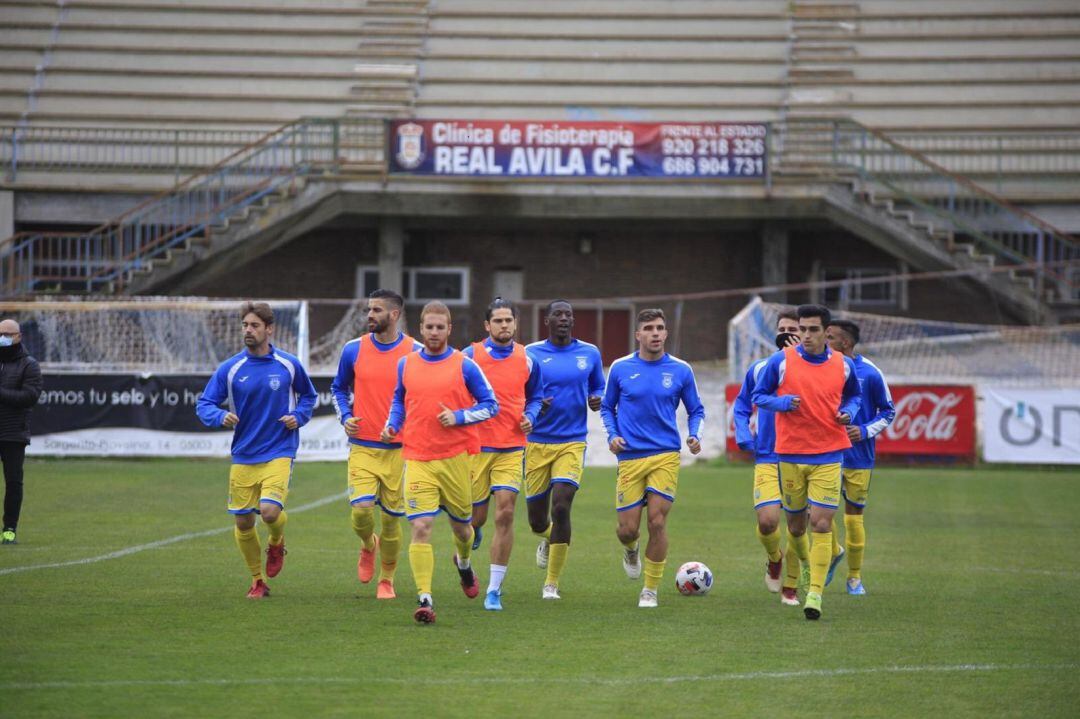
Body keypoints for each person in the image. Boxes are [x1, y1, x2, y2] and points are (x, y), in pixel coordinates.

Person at [381, 301, 498, 624]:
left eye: (440, 327)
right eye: (428, 327)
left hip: (457, 459)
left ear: (449, 329)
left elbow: (491, 405)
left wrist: (459, 416)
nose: (434, 332)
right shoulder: (406, 364)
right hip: (417, 458)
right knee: (421, 526)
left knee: (463, 529)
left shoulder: (465, 366)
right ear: (421, 329)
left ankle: (463, 564)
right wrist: (393, 423)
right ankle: (425, 597)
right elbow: (398, 399)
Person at [196, 302, 317, 599]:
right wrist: (219, 416)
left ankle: (277, 541)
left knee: (270, 512)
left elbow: (308, 397)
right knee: (243, 521)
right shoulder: (231, 368)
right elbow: (204, 403)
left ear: (269, 329)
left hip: (280, 449)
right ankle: (257, 580)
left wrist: (298, 417)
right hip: (244, 453)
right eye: (245, 326)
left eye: (254, 326)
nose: (248, 331)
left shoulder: (288, 364)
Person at [752, 304, 860, 620]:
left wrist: (849, 413)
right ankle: (813, 566)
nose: (806, 335)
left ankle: (814, 593)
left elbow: (854, 397)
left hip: (829, 454)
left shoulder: (843, 365)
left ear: (826, 332)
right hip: (789, 455)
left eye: (813, 330)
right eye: (802, 329)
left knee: (822, 523)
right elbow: (759, 395)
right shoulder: (781, 362)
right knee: (796, 527)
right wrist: (782, 402)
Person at [601, 309, 704, 608]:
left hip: (665, 455)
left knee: (657, 523)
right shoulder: (620, 368)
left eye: (660, 328)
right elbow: (607, 408)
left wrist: (694, 434)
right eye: (648, 328)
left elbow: (696, 409)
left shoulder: (681, 370)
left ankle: (650, 589)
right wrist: (612, 435)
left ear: (666, 333)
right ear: (638, 335)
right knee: (627, 529)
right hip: (630, 457)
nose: (655, 333)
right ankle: (631, 549)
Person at [331, 289, 422, 600]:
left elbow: (425, 397)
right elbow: (338, 389)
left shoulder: (416, 352)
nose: (370, 315)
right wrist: (345, 416)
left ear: (394, 315)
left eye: (377, 310)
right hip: (363, 447)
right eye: (369, 309)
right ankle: (368, 544)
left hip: (400, 452)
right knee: (361, 512)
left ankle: (387, 580)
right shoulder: (352, 350)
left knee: (392, 522)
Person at [462, 298, 545, 611]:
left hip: (511, 448)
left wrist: (532, 416)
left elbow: (536, 396)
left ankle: (494, 590)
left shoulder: (527, 359)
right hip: (474, 449)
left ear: (515, 323)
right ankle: (469, 547)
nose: (504, 325)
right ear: (487, 325)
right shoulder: (470, 357)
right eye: (497, 321)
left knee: (506, 512)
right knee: (476, 518)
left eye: (508, 320)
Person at [524, 300, 605, 600]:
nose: (564, 319)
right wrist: (530, 405)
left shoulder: (589, 353)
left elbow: (599, 386)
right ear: (547, 320)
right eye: (557, 314)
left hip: (572, 441)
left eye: (568, 315)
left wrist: (596, 398)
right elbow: (516, 393)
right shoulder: (530, 354)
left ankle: (551, 584)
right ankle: (547, 538)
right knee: (537, 521)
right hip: (536, 442)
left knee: (561, 506)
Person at [733, 309, 811, 604]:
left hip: (804, 455)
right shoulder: (760, 368)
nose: (788, 333)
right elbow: (743, 405)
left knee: (797, 526)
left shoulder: (815, 369)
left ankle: (791, 587)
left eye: (794, 328)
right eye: (782, 328)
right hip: (768, 455)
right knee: (767, 522)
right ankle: (774, 557)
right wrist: (743, 431)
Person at [827, 319, 895, 596]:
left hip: (858, 457)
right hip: (825, 453)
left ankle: (854, 578)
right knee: (814, 512)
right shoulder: (820, 367)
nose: (823, 339)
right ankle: (833, 550)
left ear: (846, 343)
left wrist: (865, 430)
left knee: (853, 517)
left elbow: (888, 411)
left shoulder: (871, 373)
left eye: (830, 336)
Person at [0, 319, 44, 545]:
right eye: (0, 333)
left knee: (13, 482)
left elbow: (29, 397)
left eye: (7, 334)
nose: (3, 338)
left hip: (13, 432)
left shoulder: (29, 365)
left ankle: (9, 529)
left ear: (18, 336)